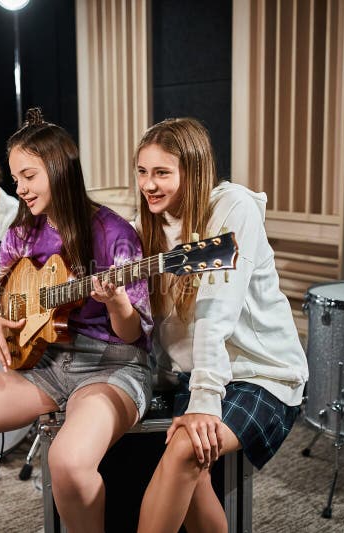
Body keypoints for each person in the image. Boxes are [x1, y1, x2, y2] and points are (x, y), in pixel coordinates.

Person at [0, 108, 154, 533]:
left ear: (60, 168)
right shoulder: (23, 231)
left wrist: (118, 303)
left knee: (66, 462)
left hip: (112, 364)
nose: (20, 188)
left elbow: (133, 333)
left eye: (28, 176)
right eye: (16, 179)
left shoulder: (113, 232)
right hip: (45, 362)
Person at [132, 118, 309, 533]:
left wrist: (204, 403)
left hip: (261, 372)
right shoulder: (148, 228)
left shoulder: (233, 208)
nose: (149, 185)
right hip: (196, 374)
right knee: (196, 483)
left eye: (162, 173)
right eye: (142, 171)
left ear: (193, 171)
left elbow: (216, 314)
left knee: (185, 452)